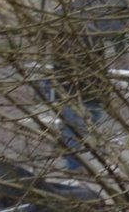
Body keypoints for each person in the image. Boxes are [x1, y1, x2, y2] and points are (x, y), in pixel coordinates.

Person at [50, 24, 111, 173]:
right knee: (75, 128)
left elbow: (101, 65)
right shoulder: (62, 39)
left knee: (88, 122)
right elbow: (58, 67)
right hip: (72, 91)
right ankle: (73, 165)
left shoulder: (94, 35)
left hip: (92, 91)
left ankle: (65, 145)